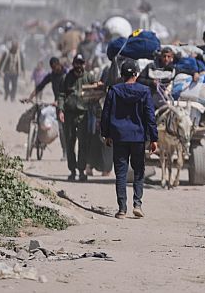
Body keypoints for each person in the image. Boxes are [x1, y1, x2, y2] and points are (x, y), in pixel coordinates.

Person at [101, 60, 158, 219]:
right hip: (138, 137)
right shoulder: (145, 91)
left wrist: (106, 134)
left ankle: (122, 209)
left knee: (121, 173)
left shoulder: (113, 90)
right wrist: (154, 138)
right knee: (139, 171)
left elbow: (105, 114)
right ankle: (137, 204)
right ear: (136, 74)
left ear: (122, 74)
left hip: (119, 137)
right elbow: (150, 116)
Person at [57, 54, 101, 182]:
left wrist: (99, 86)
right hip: (69, 115)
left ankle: (81, 170)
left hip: (83, 115)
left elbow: (97, 90)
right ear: (73, 64)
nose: (79, 66)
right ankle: (72, 171)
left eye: (81, 64)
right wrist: (61, 110)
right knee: (70, 144)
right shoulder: (66, 78)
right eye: (77, 63)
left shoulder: (89, 77)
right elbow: (61, 95)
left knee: (83, 144)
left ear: (84, 65)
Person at [27, 57, 68, 159]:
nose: (54, 70)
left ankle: (65, 152)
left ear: (59, 64)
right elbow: (40, 86)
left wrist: (59, 101)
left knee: (64, 129)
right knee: (60, 128)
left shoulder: (67, 74)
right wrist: (30, 97)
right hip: (57, 105)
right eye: (52, 68)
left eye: (55, 67)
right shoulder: (52, 75)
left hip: (67, 104)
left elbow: (70, 91)